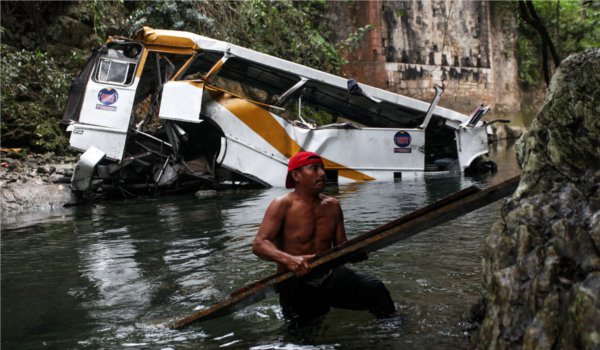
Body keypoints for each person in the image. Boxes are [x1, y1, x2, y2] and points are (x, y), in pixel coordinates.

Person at [252, 151, 396, 326]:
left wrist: (356, 253)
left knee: (375, 289)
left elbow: (341, 246)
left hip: (331, 276)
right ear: (296, 175)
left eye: (322, 168)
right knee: (303, 334)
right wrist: (290, 260)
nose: (322, 173)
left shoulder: (333, 205)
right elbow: (259, 244)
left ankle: (392, 333)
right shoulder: (281, 205)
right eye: (314, 168)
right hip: (295, 282)